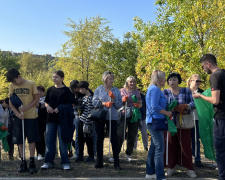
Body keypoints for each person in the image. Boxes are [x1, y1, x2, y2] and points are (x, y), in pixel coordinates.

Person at [192, 54, 225, 180]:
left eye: (202, 66)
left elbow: (215, 100)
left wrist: (200, 96)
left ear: (208, 64)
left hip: (221, 118)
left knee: (221, 150)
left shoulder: (215, 75)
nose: (203, 69)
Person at [162, 72, 197, 178]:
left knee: (186, 145)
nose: (171, 81)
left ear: (179, 81)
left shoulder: (186, 90)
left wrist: (185, 106)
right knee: (171, 145)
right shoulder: (165, 92)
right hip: (170, 122)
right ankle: (171, 167)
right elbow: (163, 105)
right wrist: (170, 108)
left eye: (174, 79)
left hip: (184, 122)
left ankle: (189, 168)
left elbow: (193, 104)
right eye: (170, 80)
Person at [6, 68, 40, 174]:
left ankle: (32, 161)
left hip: (31, 116)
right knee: (20, 140)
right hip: (18, 117)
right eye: (12, 82)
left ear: (19, 77)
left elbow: (36, 99)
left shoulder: (30, 83)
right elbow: (11, 102)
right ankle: (23, 161)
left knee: (31, 139)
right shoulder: (11, 86)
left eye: (14, 81)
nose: (14, 83)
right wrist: (17, 114)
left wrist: (26, 108)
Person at [40, 70, 75, 170]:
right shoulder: (50, 89)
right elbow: (46, 102)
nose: (54, 79)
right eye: (53, 77)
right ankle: (48, 161)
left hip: (63, 119)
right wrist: (48, 107)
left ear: (62, 78)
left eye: (56, 77)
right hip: (51, 118)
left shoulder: (67, 91)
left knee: (62, 141)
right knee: (50, 141)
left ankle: (65, 162)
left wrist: (60, 108)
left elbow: (71, 104)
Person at [92, 71, 122, 170]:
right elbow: (94, 102)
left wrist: (114, 99)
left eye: (112, 78)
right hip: (100, 116)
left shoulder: (116, 90)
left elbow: (119, 106)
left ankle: (116, 162)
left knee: (114, 138)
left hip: (112, 116)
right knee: (99, 138)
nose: (112, 80)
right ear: (105, 79)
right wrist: (104, 103)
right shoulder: (99, 89)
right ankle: (99, 161)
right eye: (110, 78)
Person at [145, 70, 171, 180]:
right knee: (160, 148)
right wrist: (167, 113)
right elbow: (154, 106)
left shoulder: (153, 88)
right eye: (164, 78)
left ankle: (150, 172)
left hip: (153, 121)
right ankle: (160, 176)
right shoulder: (155, 89)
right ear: (159, 78)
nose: (165, 80)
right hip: (155, 121)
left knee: (154, 147)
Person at [117, 76, 142, 162]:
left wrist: (138, 105)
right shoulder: (122, 91)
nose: (132, 83)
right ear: (127, 82)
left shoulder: (137, 92)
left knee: (132, 135)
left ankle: (129, 153)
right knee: (120, 134)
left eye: (134, 82)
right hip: (123, 115)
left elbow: (140, 103)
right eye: (130, 82)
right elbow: (118, 103)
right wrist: (123, 100)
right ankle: (116, 153)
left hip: (134, 115)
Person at [187, 74, 204, 167]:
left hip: (197, 118)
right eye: (196, 81)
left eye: (199, 81)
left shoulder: (202, 92)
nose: (198, 83)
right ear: (190, 81)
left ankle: (197, 159)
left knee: (196, 139)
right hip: (185, 118)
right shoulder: (185, 91)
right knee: (185, 139)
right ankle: (185, 158)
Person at [75, 81, 94, 162]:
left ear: (84, 88)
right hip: (81, 120)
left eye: (80, 89)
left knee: (88, 139)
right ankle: (80, 155)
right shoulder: (82, 98)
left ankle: (91, 155)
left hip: (87, 122)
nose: (79, 90)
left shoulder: (91, 98)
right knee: (80, 138)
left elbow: (89, 111)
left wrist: (86, 123)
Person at [35, 86, 47, 161]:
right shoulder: (34, 98)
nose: (39, 93)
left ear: (43, 92)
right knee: (37, 136)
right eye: (38, 91)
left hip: (43, 120)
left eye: (41, 91)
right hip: (35, 119)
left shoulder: (45, 99)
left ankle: (42, 153)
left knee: (42, 136)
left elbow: (40, 106)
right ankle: (38, 152)